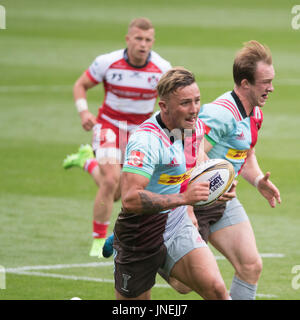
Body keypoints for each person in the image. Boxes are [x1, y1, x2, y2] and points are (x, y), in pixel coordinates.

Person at [169, 40, 281, 299]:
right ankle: (140, 244)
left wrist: (256, 181)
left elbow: (245, 152)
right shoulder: (222, 113)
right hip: (194, 201)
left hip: (223, 201)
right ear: (245, 84)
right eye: (265, 82)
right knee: (185, 285)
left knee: (250, 265)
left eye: (271, 81)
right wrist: (214, 181)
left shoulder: (254, 114)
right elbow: (191, 149)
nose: (271, 88)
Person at [113, 67, 231, 300]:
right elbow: (129, 199)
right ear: (164, 106)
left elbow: (197, 161)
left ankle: (165, 259)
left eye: (197, 101)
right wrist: (184, 199)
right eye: (185, 103)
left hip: (176, 222)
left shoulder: (192, 125)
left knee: (216, 291)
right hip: (140, 231)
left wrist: (219, 183)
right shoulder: (146, 140)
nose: (195, 109)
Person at [63, 17, 172, 257]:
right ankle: (98, 239)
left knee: (122, 190)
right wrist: (84, 112)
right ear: (128, 39)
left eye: (148, 40)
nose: (143, 44)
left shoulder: (162, 69)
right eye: (139, 39)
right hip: (109, 127)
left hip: (140, 134)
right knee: (111, 180)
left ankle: (86, 162)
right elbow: (80, 85)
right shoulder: (107, 62)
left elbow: (171, 101)